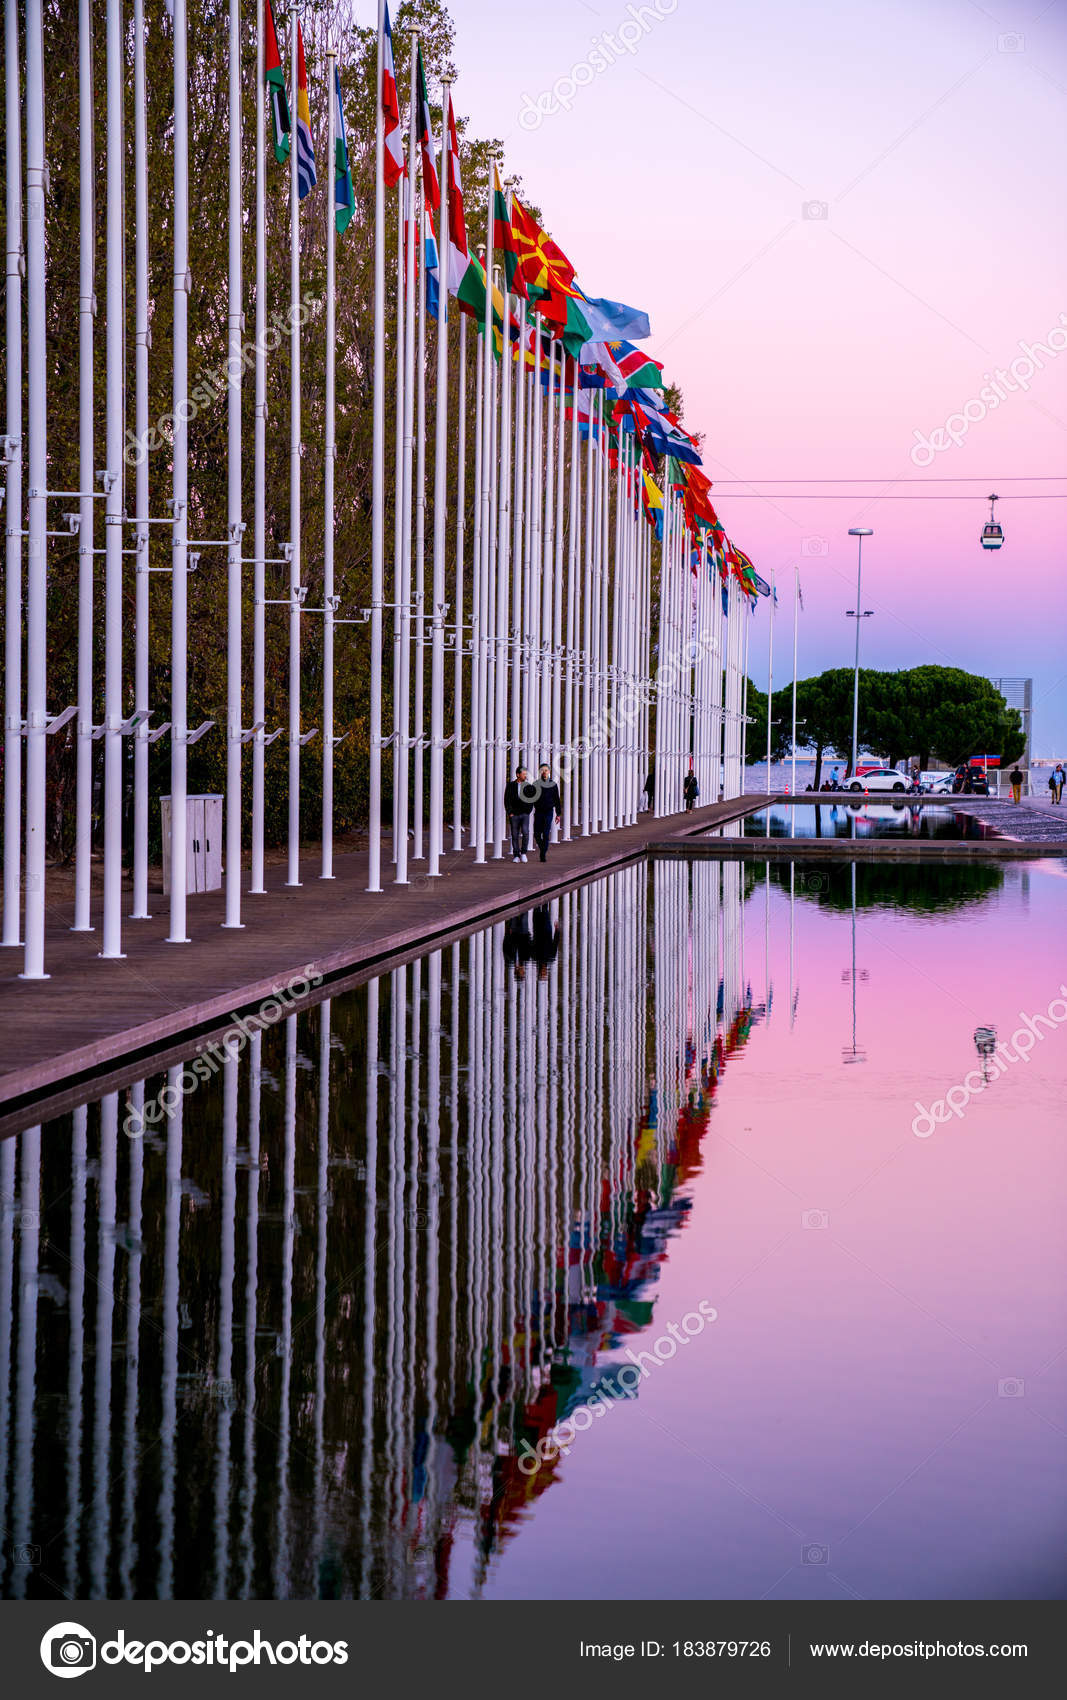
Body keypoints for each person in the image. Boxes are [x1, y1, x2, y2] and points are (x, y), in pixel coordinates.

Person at [532, 764, 562, 862]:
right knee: (536, 834)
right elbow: (531, 799)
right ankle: (542, 849)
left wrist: (558, 814)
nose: (544, 772)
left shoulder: (553, 784)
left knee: (545, 833)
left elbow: (557, 800)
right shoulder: (536, 784)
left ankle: (543, 854)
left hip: (548, 811)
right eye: (542, 770)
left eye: (546, 770)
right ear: (540, 772)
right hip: (539, 812)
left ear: (549, 772)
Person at [504, 766, 535, 862]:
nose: (525, 775)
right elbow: (507, 799)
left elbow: (531, 800)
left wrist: (528, 811)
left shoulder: (528, 786)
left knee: (526, 832)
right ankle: (516, 855)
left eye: (526, 774)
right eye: (523, 774)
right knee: (514, 834)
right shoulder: (510, 785)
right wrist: (510, 813)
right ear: (518, 774)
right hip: (514, 814)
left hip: (524, 814)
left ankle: (524, 853)